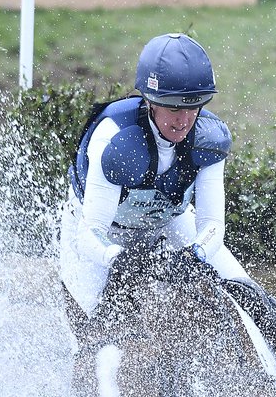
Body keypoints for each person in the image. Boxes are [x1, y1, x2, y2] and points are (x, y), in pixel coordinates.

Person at [59, 31, 252, 334]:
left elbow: (213, 223)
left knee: (243, 290)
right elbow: (90, 232)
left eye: (194, 107)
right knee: (88, 328)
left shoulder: (209, 139)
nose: (183, 121)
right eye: (174, 108)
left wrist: (195, 254)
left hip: (168, 220)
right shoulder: (114, 139)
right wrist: (116, 256)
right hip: (101, 231)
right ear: (150, 102)